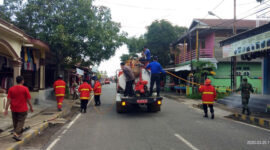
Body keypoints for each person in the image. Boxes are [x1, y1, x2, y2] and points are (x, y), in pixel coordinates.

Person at [4, 76, 33, 141]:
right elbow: (28, 99)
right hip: (22, 109)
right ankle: (16, 134)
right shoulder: (25, 88)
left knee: (15, 122)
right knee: (21, 121)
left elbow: (8, 100)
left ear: (16, 81)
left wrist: (6, 109)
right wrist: (31, 107)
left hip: (13, 108)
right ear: (22, 81)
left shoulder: (11, 89)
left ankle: (18, 133)